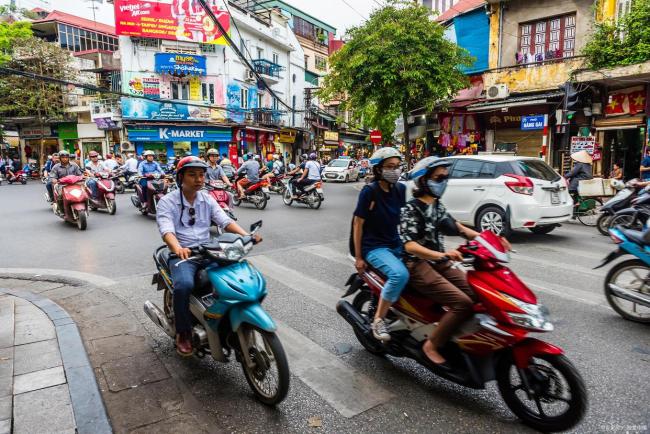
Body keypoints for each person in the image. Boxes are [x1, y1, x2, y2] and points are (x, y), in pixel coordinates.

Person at [400, 157, 510, 366]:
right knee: (462, 303)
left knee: (478, 296)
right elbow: (410, 246)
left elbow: (458, 227)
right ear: (424, 180)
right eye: (438, 177)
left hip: (439, 262)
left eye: (445, 177)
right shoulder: (410, 209)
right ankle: (431, 345)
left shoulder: (437, 205)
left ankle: (453, 335)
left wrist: (490, 240)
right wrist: (442, 255)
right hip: (418, 265)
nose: (443, 181)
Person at [156, 156, 260, 356]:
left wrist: (247, 236)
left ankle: (225, 319)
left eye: (201, 175)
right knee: (184, 285)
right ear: (180, 178)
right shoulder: (167, 202)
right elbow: (166, 229)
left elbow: (224, 220)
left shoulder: (207, 198)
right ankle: (183, 333)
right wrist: (177, 248)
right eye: (192, 175)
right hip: (184, 255)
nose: (198, 179)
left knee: (235, 275)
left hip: (208, 250)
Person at [352, 148, 408, 342]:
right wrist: (359, 257)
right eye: (389, 167)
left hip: (396, 243)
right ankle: (378, 320)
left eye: (397, 167)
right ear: (378, 170)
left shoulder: (401, 190)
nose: (395, 171)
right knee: (399, 274)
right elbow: (358, 224)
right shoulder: (370, 192)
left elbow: (405, 218)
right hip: (374, 247)